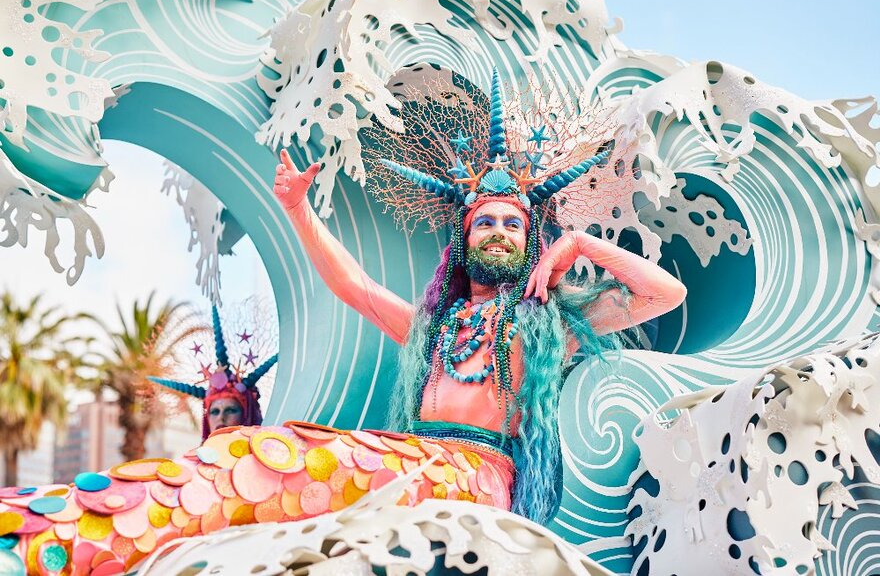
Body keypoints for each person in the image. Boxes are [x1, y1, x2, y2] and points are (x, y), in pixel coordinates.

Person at [0, 71, 684, 574]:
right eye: (486, 221)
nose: (501, 231)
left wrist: (583, 245)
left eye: (515, 223)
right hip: (417, 462)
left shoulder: (548, 327)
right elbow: (353, 287)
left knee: (254, 460)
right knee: (242, 461)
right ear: (464, 237)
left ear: (531, 240)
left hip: (472, 479)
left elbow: (664, 294)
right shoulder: (433, 327)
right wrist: (297, 210)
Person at [147, 305, 276, 439]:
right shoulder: (193, 460)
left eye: (231, 410)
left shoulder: (270, 456)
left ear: (247, 413)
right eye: (214, 411)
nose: (221, 418)